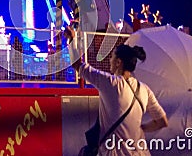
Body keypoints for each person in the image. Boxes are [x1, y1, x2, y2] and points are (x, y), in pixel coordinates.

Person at [65, 26, 168, 156]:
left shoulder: (110, 83)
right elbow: (162, 121)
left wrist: (71, 40)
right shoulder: (144, 89)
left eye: (112, 57)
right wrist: (141, 128)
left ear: (118, 62)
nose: (110, 60)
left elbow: (77, 65)